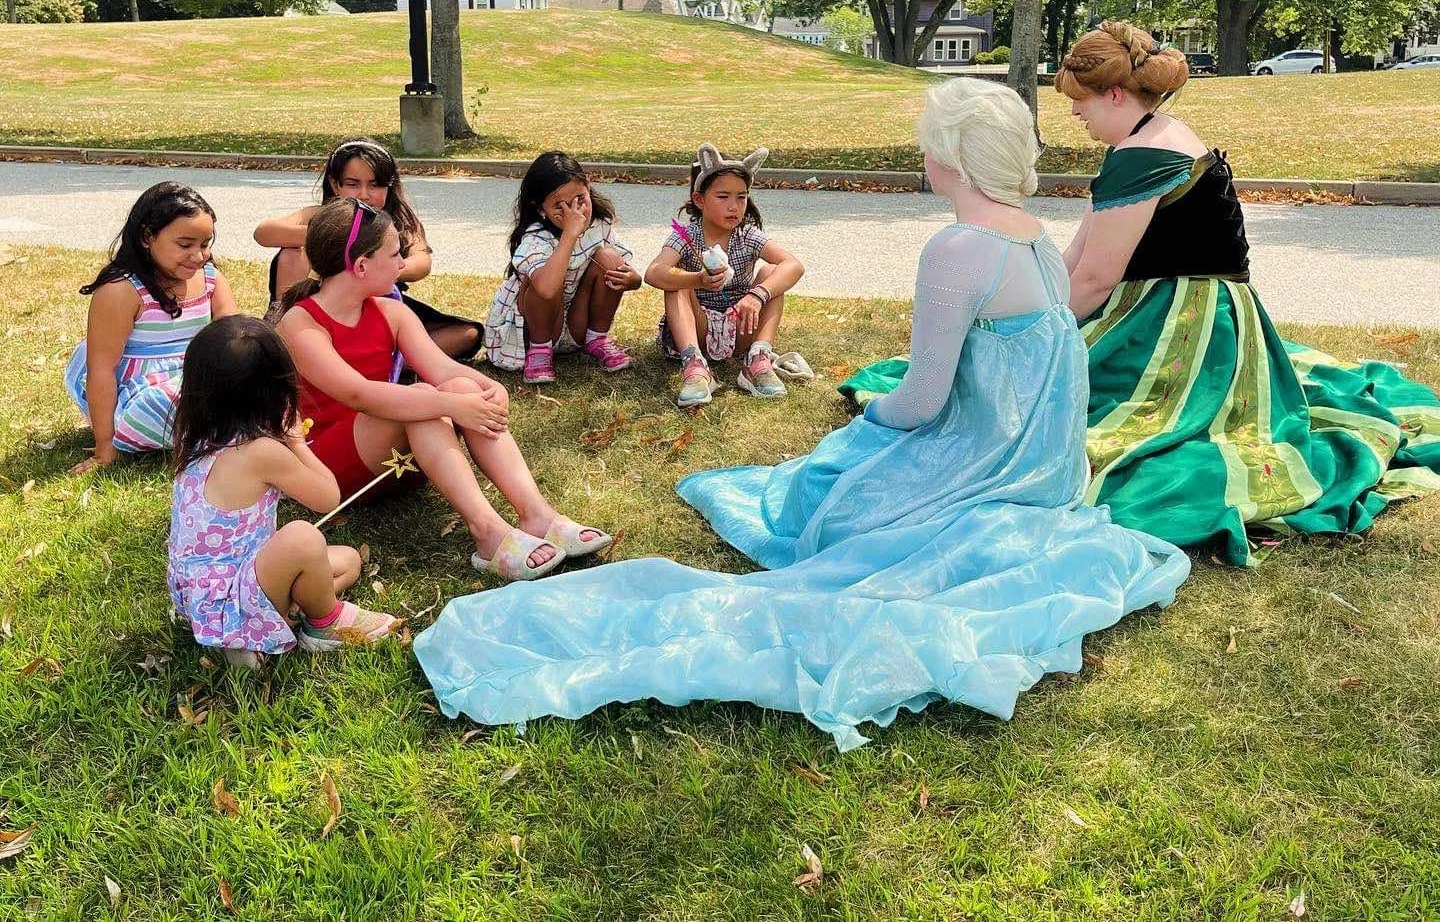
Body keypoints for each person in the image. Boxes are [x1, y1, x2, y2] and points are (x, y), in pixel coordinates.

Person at [413, 78, 1190, 751]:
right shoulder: (1033, 237)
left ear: (950, 155)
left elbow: (920, 402)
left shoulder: (959, 249)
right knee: (823, 480)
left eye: (927, 143)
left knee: (825, 495)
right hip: (1045, 465)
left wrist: (867, 421)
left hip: (986, 459)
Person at [841, 21, 1440, 564]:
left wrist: (1035, 334)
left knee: (1096, 417)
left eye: (1081, 104)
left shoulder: (1140, 156)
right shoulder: (1164, 134)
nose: (1075, 117)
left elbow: (1098, 276)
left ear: (1116, 96)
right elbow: (1079, 250)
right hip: (1224, 314)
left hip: (1179, 322)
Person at [277, 199, 612, 581]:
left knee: (458, 385)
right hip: (329, 467)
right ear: (362, 265)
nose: (402, 264)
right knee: (426, 402)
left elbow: (443, 369)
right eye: (394, 254)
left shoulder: (392, 311)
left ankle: (537, 514)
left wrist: (488, 388)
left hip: (395, 451)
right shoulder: (301, 323)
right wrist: (450, 403)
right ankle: (487, 531)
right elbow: (359, 394)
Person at [168, 316, 398, 669]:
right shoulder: (262, 452)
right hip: (232, 597)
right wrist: (297, 443)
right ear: (275, 391)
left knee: (347, 560)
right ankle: (323, 626)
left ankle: (255, 630)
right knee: (304, 537)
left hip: (200, 597)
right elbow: (327, 497)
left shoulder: (198, 437)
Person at [64, 182, 238, 474]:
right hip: (140, 396)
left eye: (205, 244)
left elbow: (233, 339)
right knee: (168, 406)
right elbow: (102, 370)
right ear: (147, 237)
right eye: (185, 245)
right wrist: (105, 448)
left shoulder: (210, 277)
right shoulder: (121, 290)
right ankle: (222, 430)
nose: (198, 256)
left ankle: (219, 427)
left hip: (194, 378)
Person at [254, 137, 482, 359]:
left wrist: (382, 268)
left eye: (374, 185)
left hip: (380, 306)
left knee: (468, 333)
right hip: (322, 309)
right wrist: (341, 237)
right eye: (353, 184)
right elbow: (264, 232)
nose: (364, 194)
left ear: (389, 185)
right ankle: (281, 330)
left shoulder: (398, 221)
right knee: (292, 253)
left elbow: (422, 262)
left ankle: (384, 361)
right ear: (335, 184)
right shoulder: (318, 216)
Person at [644, 144, 805, 408]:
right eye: (723, 197)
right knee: (674, 280)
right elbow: (654, 273)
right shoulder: (686, 237)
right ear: (700, 200)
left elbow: (793, 265)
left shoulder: (748, 235)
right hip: (696, 327)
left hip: (740, 325)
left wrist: (756, 295)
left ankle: (757, 361)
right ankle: (695, 367)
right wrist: (696, 279)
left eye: (741, 197)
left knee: (772, 272)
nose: (734, 207)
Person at [483, 151, 643, 383]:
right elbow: (547, 289)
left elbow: (624, 270)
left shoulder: (599, 225)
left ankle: (596, 339)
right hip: (536, 326)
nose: (574, 213)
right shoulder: (536, 237)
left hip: (576, 321)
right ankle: (539, 352)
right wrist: (570, 234)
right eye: (559, 206)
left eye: (580, 199)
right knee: (548, 274)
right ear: (541, 209)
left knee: (609, 257)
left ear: (588, 187)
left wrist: (633, 280)